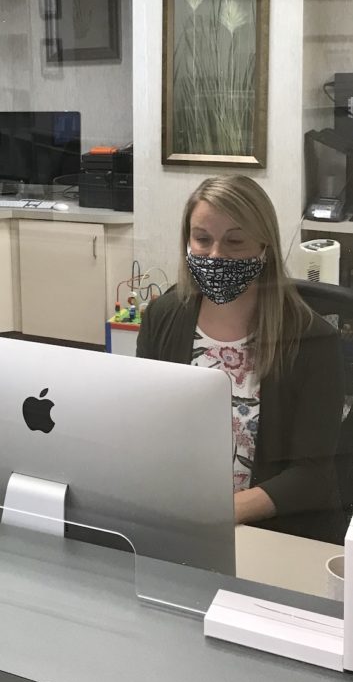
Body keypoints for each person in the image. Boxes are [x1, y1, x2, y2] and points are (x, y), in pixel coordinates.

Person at [137, 175, 344, 540]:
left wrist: (216, 514)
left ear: (264, 246)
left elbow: (313, 476)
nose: (216, 255)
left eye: (235, 241)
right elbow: (144, 425)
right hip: (176, 522)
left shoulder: (313, 340)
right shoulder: (162, 316)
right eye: (202, 239)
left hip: (272, 534)